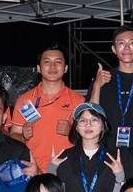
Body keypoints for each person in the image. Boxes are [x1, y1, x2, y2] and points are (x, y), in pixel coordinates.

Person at [49, 102, 124, 192]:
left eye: (94, 120)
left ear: (103, 125)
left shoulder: (114, 158)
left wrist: (119, 176)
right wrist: (52, 170)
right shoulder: (64, 157)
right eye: (82, 120)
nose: (88, 124)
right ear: (76, 127)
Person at [6, 43, 83, 172]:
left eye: (58, 62)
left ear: (65, 68)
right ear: (39, 68)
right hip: (33, 170)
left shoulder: (78, 101)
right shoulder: (24, 100)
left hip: (68, 170)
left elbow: (89, 140)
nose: (52, 66)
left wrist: (71, 133)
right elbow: (13, 136)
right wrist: (23, 137)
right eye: (47, 62)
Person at [88, 25, 133, 149]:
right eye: (121, 43)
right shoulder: (103, 79)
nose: (126, 47)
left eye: (132, 43)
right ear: (114, 49)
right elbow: (91, 116)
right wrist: (97, 86)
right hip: (108, 150)